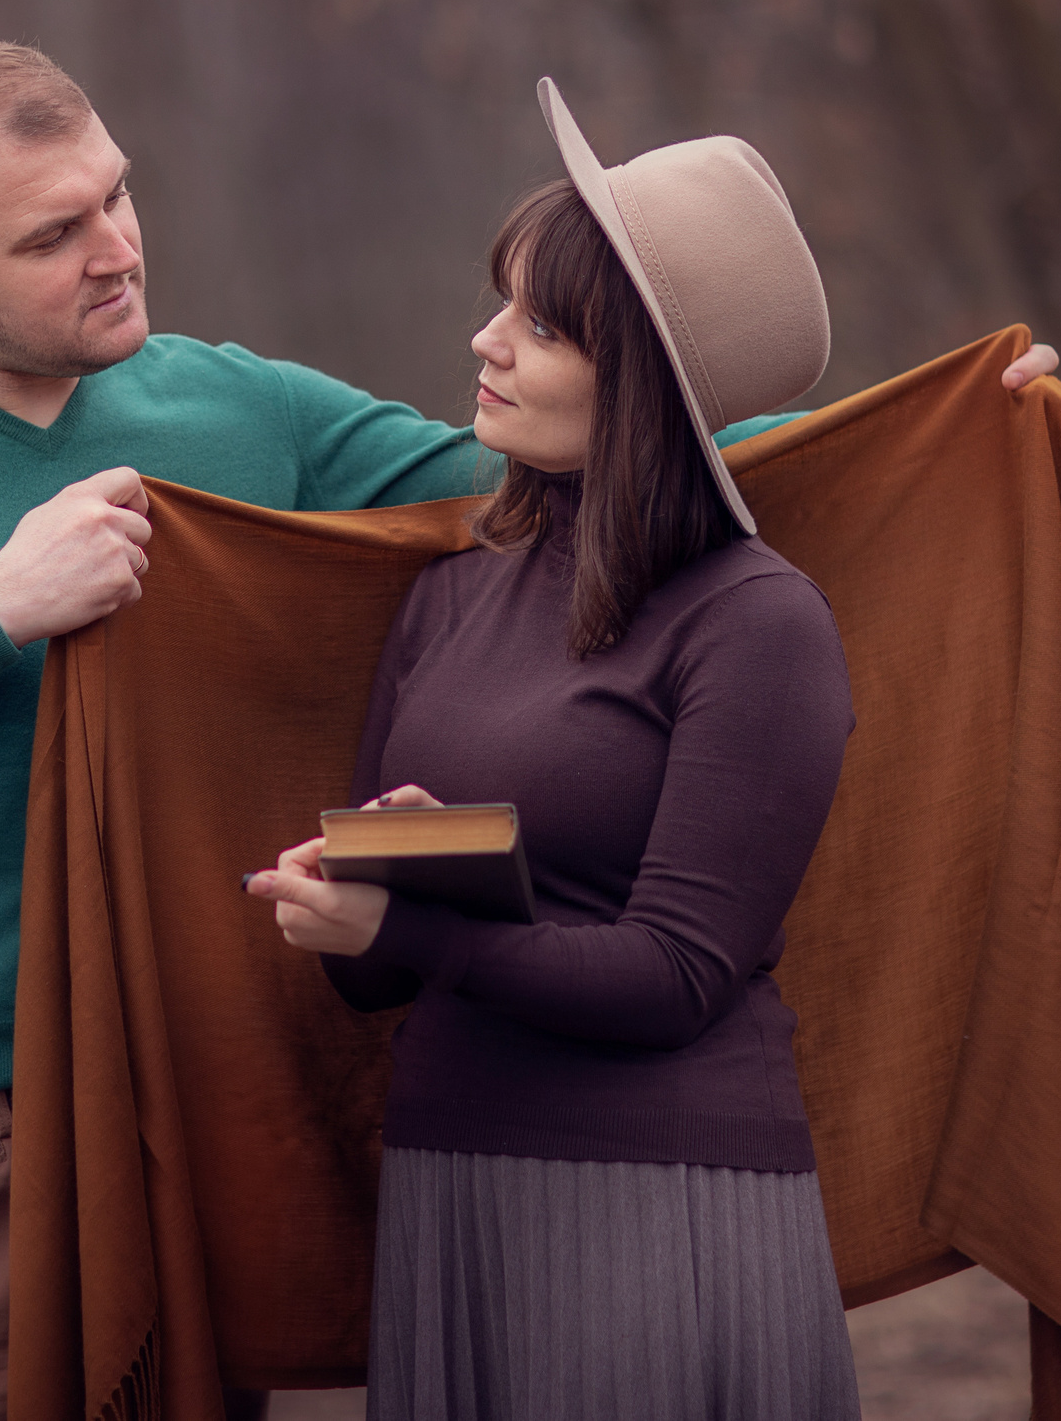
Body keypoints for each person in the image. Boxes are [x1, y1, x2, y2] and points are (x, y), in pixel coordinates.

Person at [0, 37, 1057, 1421]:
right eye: (53, 235)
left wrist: (937, 426)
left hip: (182, 1119)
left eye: (117, 195)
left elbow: (580, 462)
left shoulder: (236, 404)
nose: (117, 249)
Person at [243, 81, 864, 1419]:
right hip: (451, 1184)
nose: (486, 340)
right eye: (501, 303)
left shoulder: (758, 622)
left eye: (539, 324)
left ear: (639, 380)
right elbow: (374, 982)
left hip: (658, 1197)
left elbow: (676, 976)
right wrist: (365, 895)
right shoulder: (449, 595)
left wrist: (417, 927)